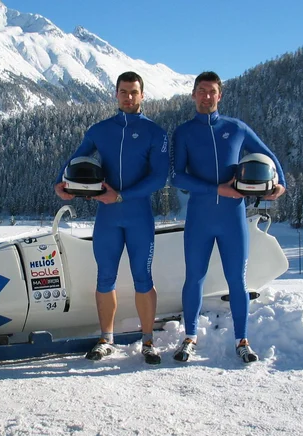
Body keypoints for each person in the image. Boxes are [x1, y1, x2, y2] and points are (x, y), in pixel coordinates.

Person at [170, 71, 286, 363]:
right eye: (202, 91)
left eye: (212, 91)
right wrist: (216, 188)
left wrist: (279, 182)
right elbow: (177, 177)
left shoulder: (237, 128)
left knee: (237, 279)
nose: (206, 96)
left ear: (219, 96)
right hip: (200, 215)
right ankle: (189, 337)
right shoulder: (184, 132)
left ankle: (242, 340)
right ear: (193, 94)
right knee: (194, 277)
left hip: (233, 217)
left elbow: (268, 155)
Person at [54, 71, 169, 364]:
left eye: (134, 92)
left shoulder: (155, 132)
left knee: (143, 278)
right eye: (123, 92)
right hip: (107, 217)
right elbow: (75, 160)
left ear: (142, 95)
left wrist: (120, 196)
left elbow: (159, 177)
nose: (128, 97)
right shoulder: (100, 129)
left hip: (137, 214)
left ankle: (148, 341)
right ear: (115, 94)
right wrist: (62, 183)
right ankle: (106, 339)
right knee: (105, 277)